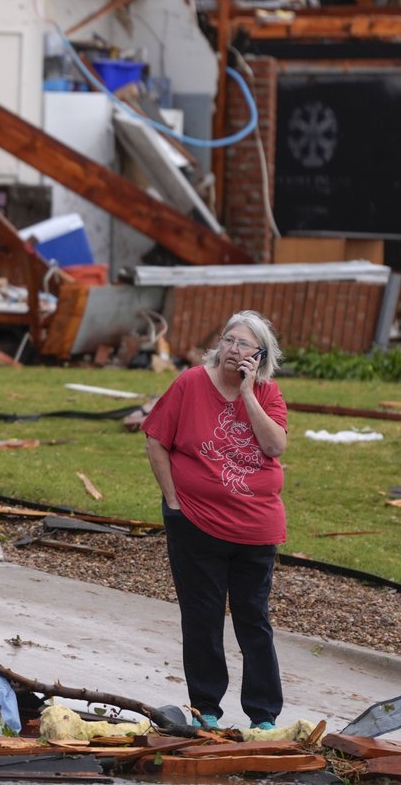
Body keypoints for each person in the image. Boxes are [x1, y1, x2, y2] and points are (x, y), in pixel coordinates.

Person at [141, 310, 288, 731]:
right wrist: (173, 502)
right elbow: (156, 439)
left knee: (252, 618)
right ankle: (206, 708)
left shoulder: (268, 393)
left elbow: (274, 446)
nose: (233, 350)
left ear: (260, 356)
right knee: (202, 617)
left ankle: (263, 714)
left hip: (255, 529)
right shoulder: (190, 383)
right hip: (196, 524)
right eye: (228, 340)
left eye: (244, 345)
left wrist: (247, 394)